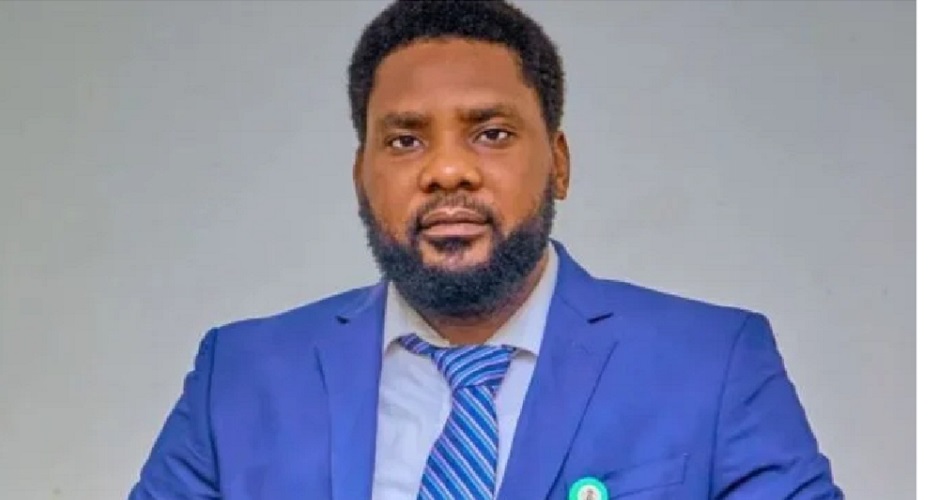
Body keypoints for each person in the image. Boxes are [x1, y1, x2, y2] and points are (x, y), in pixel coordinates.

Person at [129, 1, 843, 498]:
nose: (448, 170)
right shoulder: (240, 378)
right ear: (360, 177)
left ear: (559, 162)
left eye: (492, 134)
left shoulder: (712, 365)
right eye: (405, 140)